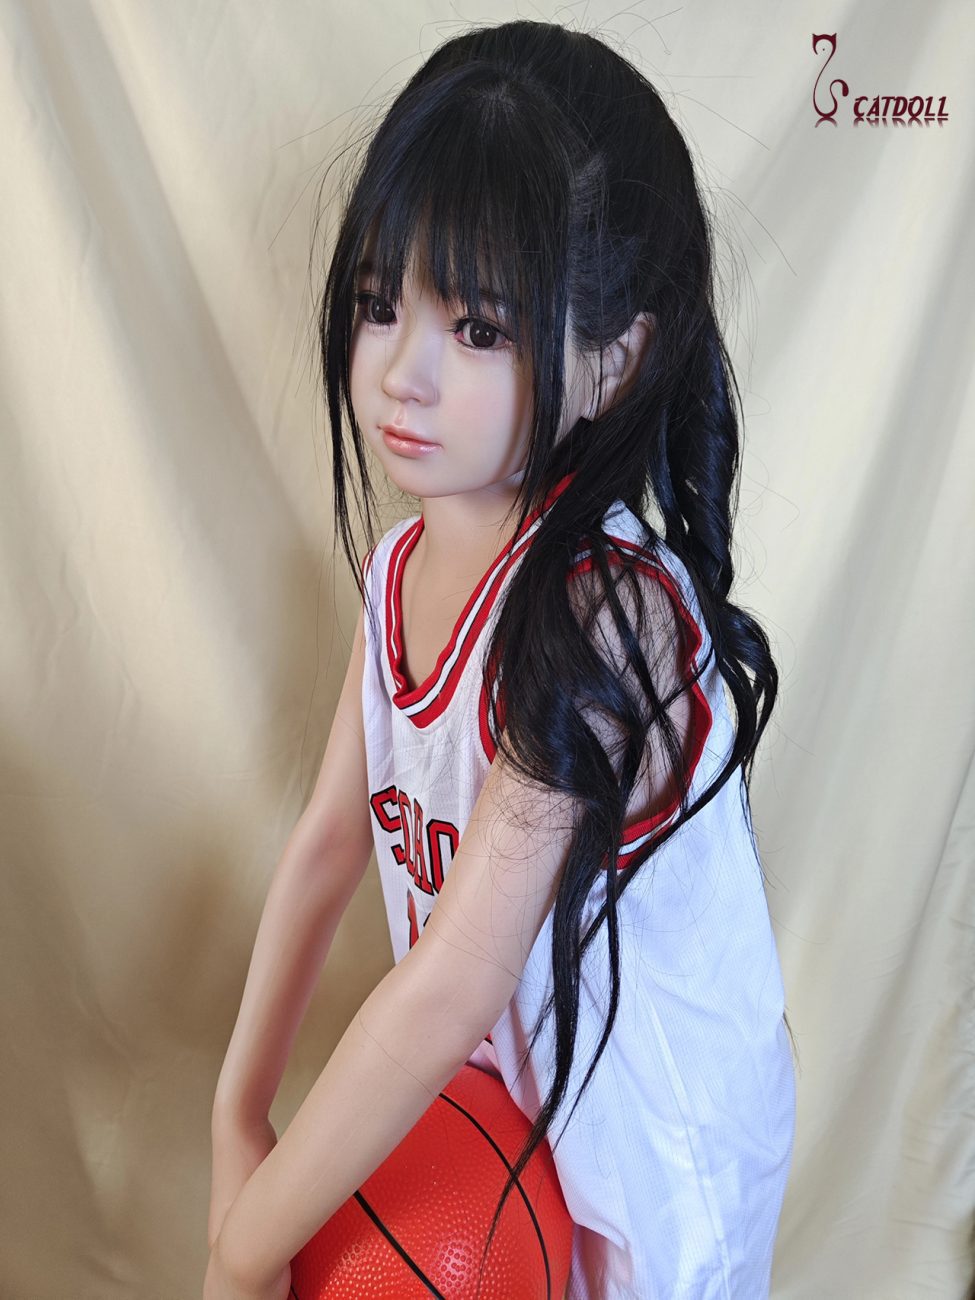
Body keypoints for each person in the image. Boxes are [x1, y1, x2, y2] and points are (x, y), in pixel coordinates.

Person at [204, 18, 798, 1300]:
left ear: (613, 361)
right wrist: (235, 1111)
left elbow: (459, 978)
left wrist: (241, 1253)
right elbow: (327, 846)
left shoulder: (608, 618)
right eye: (380, 306)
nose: (401, 373)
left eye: (478, 327)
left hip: (653, 1147)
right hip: (508, 1101)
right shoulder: (397, 570)